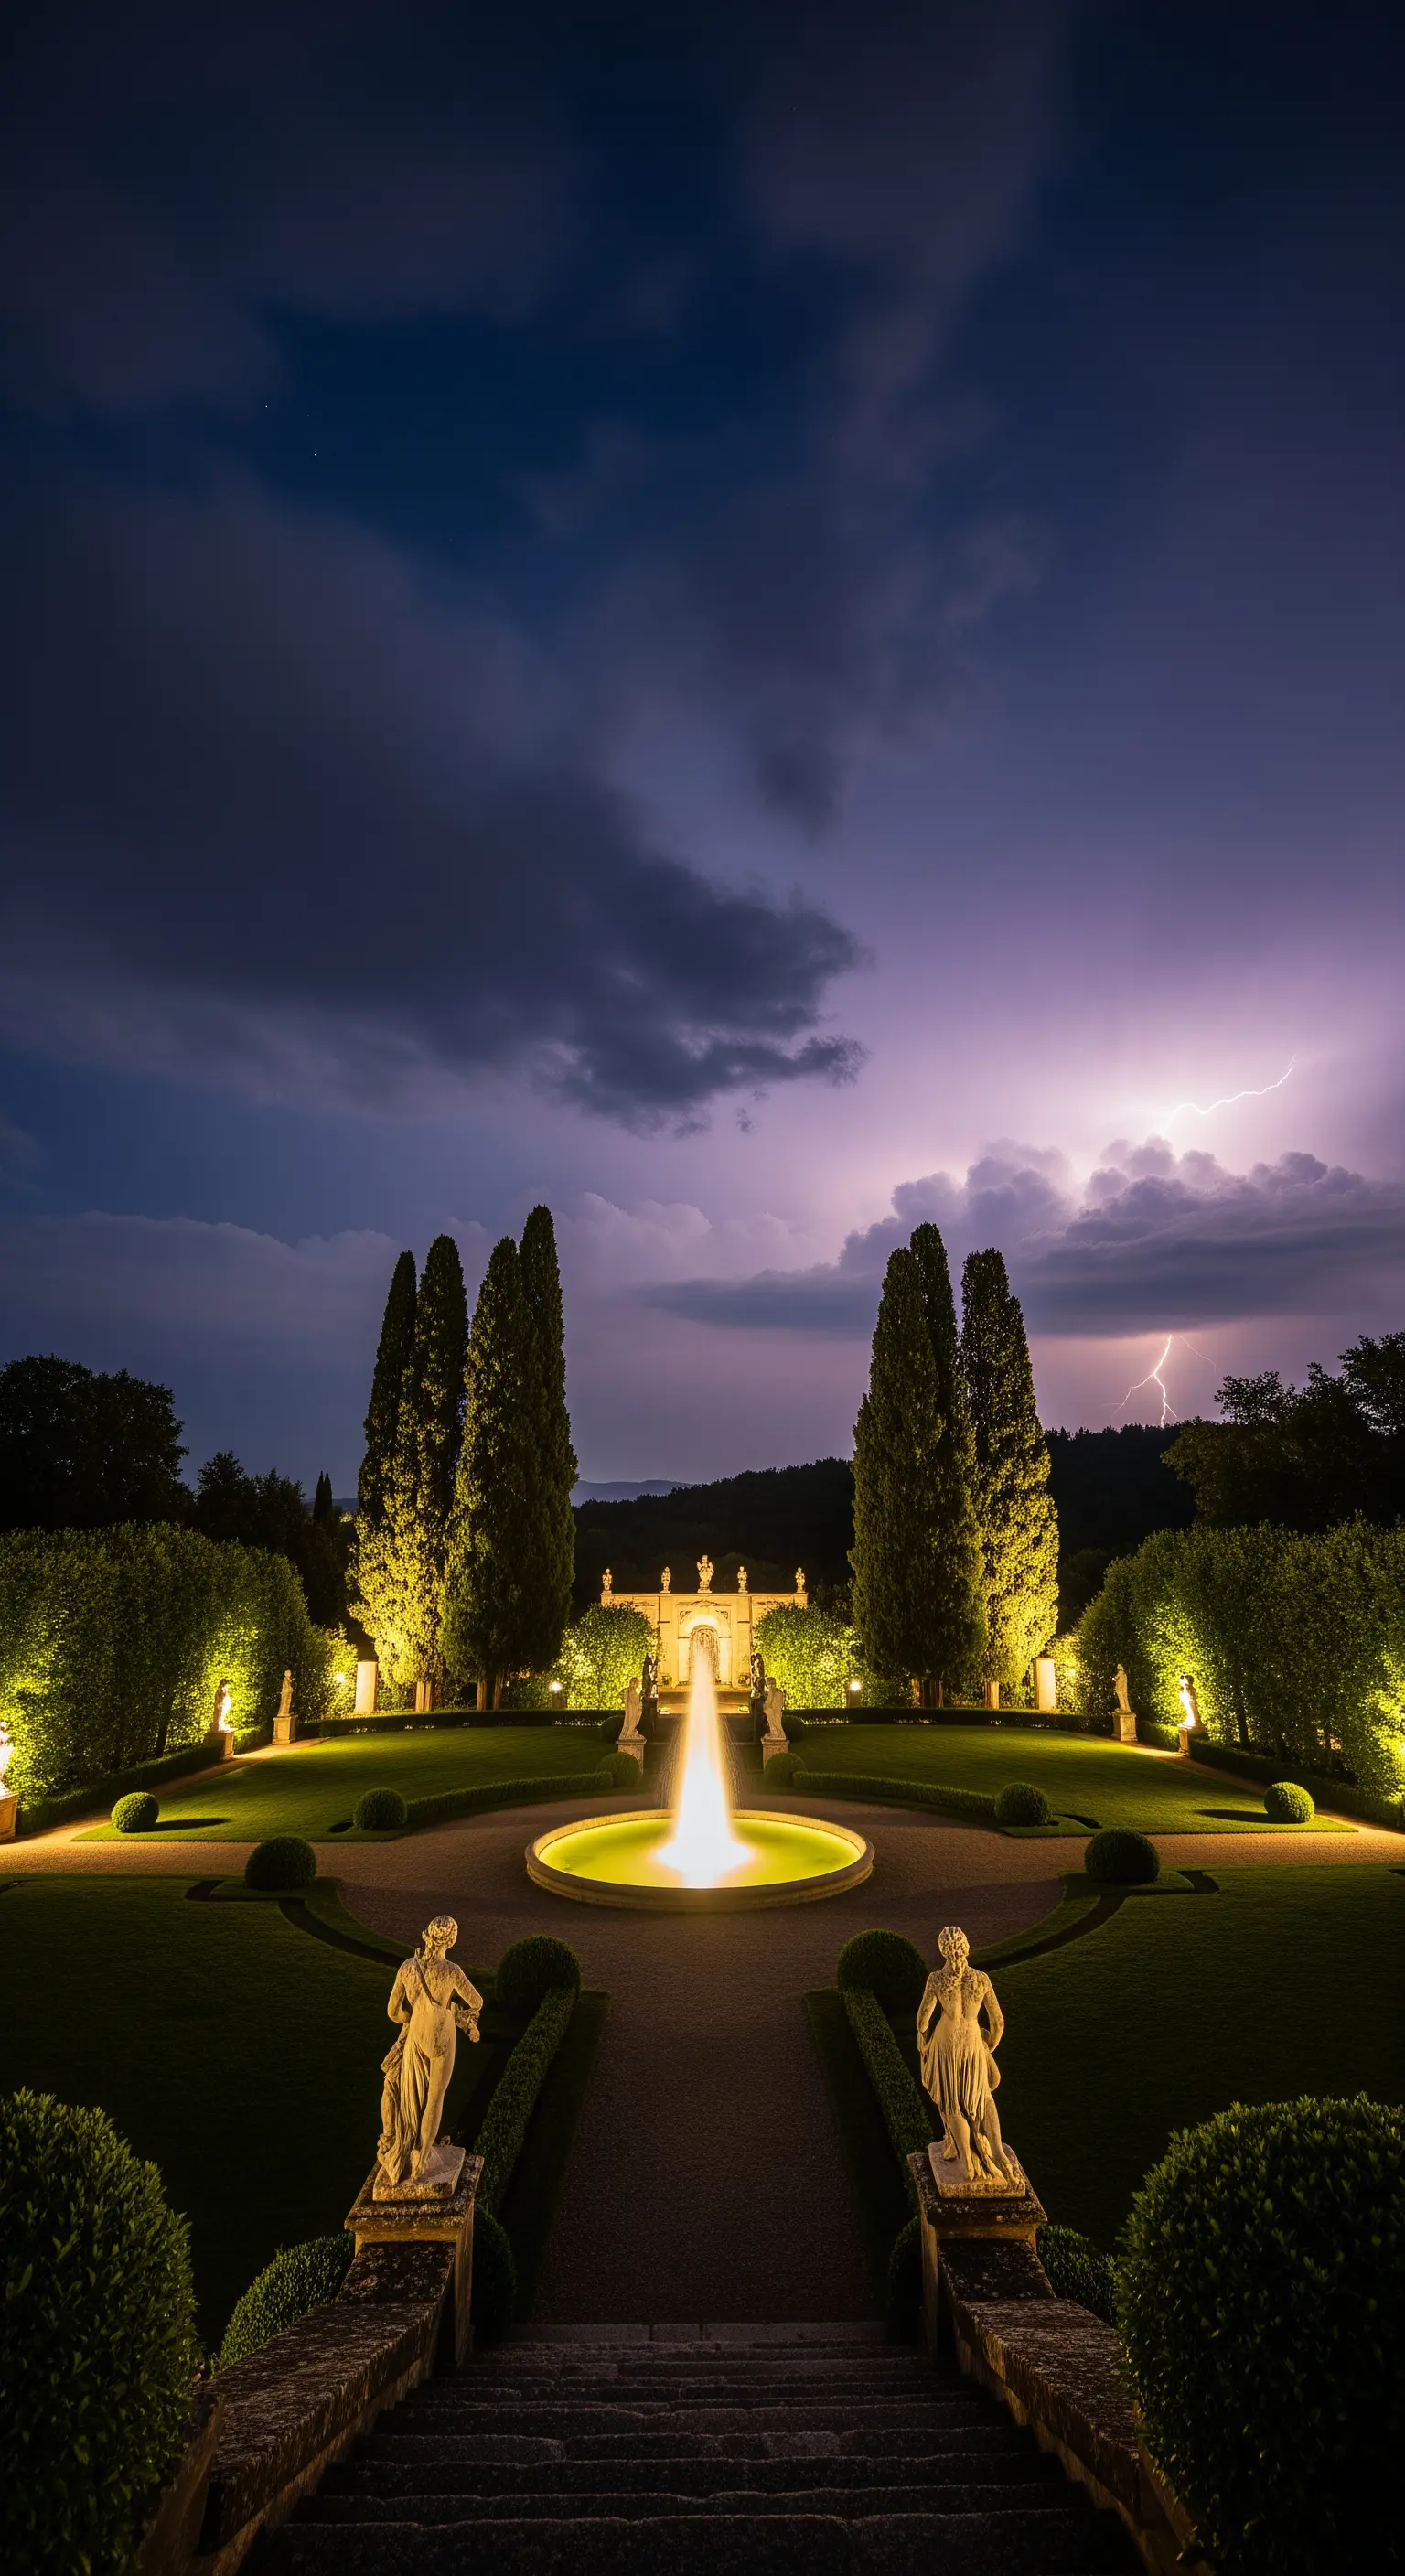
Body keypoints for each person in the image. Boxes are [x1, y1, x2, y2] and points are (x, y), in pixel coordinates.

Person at [377, 1916, 482, 2191]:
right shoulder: (451, 1971)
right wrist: (459, 2016)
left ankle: (406, 2146)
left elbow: (392, 2012)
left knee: (410, 2094)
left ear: (426, 1936)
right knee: (434, 2098)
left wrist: (411, 2018)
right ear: (451, 1941)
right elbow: (476, 2001)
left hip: (416, 2035)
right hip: (441, 2037)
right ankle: (421, 2158)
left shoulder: (407, 1968)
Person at [917, 1925, 1016, 2186]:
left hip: (946, 2045)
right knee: (982, 2096)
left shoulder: (936, 1980)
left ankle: (967, 2162)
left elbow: (923, 2020)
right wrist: (989, 2046)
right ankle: (996, 2151)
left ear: (943, 1951)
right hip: (972, 2043)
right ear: (966, 1946)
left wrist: (923, 2040)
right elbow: (998, 2023)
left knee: (952, 2103)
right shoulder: (981, 1979)